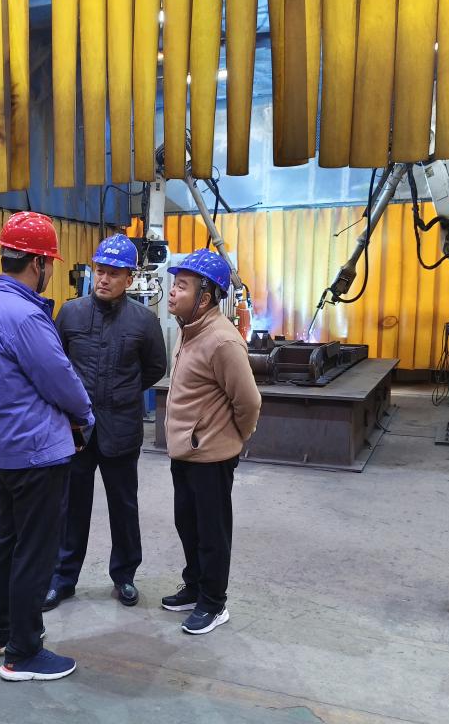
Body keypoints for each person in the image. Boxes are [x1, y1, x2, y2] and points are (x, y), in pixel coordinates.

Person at [0, 210, 94, 682]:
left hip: (4, 447)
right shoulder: (25, 316)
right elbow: (60, 379)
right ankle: (23, 652)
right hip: (37, 451)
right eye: (50, 264)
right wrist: (86, 416)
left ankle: (0, 632)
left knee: (8, 540)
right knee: (35, 551)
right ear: (38, 262)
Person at [44, 234, 167, 612]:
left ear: (129, 278)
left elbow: (155, 368)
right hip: (76, 430)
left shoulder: (144, 321)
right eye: (100, 270)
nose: (104, 278)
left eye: (113, 273)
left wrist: (122, 393)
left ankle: (124, 576)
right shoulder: (71, 313)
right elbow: (57, 362)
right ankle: (63, 578)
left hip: (121, 429)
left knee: (124, 507)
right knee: (70, 508)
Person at [161, 249, 261, 635]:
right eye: (174, 284)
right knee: (188, 525)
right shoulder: (188, 330)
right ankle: (195, 586)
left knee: (212, 533)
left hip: (212, 457)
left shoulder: (222, 341)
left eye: (182, 286)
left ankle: (214, 603)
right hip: (185, 452)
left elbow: (248, 401)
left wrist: (235, 438)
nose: (172, 292)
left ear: (204, 298)